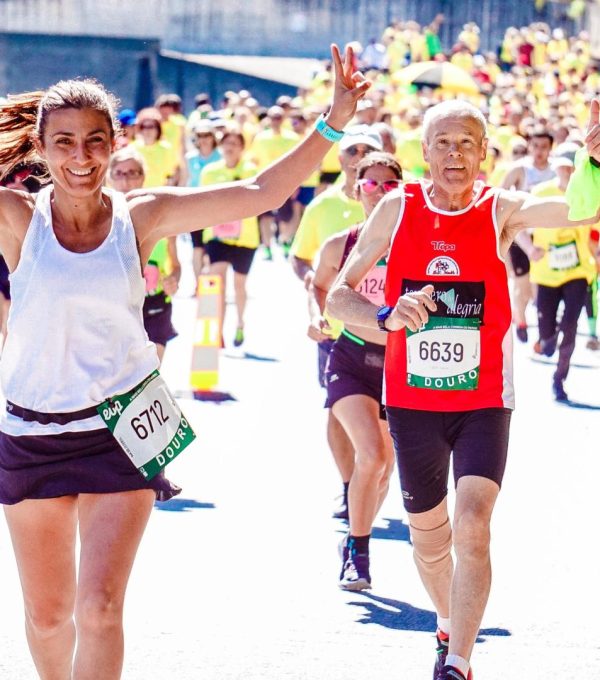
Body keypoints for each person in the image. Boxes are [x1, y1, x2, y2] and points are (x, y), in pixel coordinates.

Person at [0, 46, 368, 680]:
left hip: (121, 431)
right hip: (30, 434)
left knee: (101, 609)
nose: (81, 157)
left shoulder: (144, 216)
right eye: (64, 142)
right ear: (41, 147)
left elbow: (260, 192)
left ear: (115, 144)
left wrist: (333, 120)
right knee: (48, 616)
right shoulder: (15, 219)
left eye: (94, 141)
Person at [327, 99, 599, 680]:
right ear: (424, 152)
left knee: (474, 521)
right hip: (411, 399)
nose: (455, 153)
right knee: (430, 541)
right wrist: (388, 314)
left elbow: (574, 212)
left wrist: (594, 165)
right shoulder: (398, 208)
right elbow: (338, 297)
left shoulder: (500, 207)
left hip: (483, 399)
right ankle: (449, 622)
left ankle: (458, 661)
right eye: (443, 142)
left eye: (467, 142)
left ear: (485, 153)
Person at [309, 152, 401, 590]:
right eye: (371, 184)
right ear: (356, 189)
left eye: (389, 185)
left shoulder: (417, 245)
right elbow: (320, 285)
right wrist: (316, 316)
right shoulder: (341, 245)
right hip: (351, 358)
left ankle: (354, 533)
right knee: (374, 455)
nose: (379, 192)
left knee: (383, 471)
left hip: (402, 367)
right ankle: (358, 553)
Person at [290, 124, 383, 520]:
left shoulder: (395, 202)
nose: (358, 155)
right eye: (351, 151)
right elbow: (300, 257)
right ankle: (350, 486)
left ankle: (369, 480)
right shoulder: (322, 207)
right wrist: (316, 288)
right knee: (336, 411)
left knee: (381, 424)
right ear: (341, 159)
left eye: (368, 149)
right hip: (335, 328)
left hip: (383, 331)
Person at [517, 156, 597, 401]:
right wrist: (530, 250)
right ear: (555, 167)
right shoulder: (541, 192)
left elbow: (596, 231)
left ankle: (559, 379)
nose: (567, 169)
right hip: (546, 274)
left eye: (572, 165)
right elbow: (519, 224)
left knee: (571, 327)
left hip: (578, 271)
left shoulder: (591, 191)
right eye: (562, 164)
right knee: (549, 341)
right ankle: (547, 340)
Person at [108, 147, 180, 365]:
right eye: (119, 173)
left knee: (152, 374)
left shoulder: (160, 215)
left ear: (143, 176)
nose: (126, 180)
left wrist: (174, 279)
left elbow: (176, 264)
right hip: (116, 307)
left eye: (132, 173)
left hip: (156, 303)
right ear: (109, 177)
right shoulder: (99, 218)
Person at [200, 128, 259, 347]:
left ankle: (240, 324)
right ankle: (216, 331)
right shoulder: (210, 172)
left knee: (239, 286)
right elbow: (203, 201)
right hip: (216, 235)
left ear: (242, 147)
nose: (230, 147)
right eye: (226, 143)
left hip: (245, 237)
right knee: (217, 282)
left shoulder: (251, 170)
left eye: (235, 143)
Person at [502, 129, 556, 342]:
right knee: (522, 284)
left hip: (548, 235)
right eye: (535, 146)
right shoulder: (520, 170)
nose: (539, 151)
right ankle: (521, 321)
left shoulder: (556, 171)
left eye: (544, 147)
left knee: (544, 286)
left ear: (550, 148)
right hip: (522, 235)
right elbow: (499, 195)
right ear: (529, 146)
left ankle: (545, 325)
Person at [186, 121, 222, 286]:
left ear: (213, 137)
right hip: (194, 206)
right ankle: (197, 284)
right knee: (197, 247)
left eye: (207, 135)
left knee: (211, 247)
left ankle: (210, 285)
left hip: (215, 206)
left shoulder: (220, 156)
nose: (204, 139)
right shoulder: (190, 158)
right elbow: (184, 180)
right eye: (200, 136)